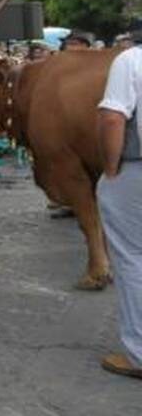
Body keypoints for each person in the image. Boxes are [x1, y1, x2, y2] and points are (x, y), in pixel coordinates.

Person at [97, 22, 142, 380]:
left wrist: (111, 168)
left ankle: (139, 353)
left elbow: (113, 118)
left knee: (131, 257)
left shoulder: (131, 60)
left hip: (136, 170)